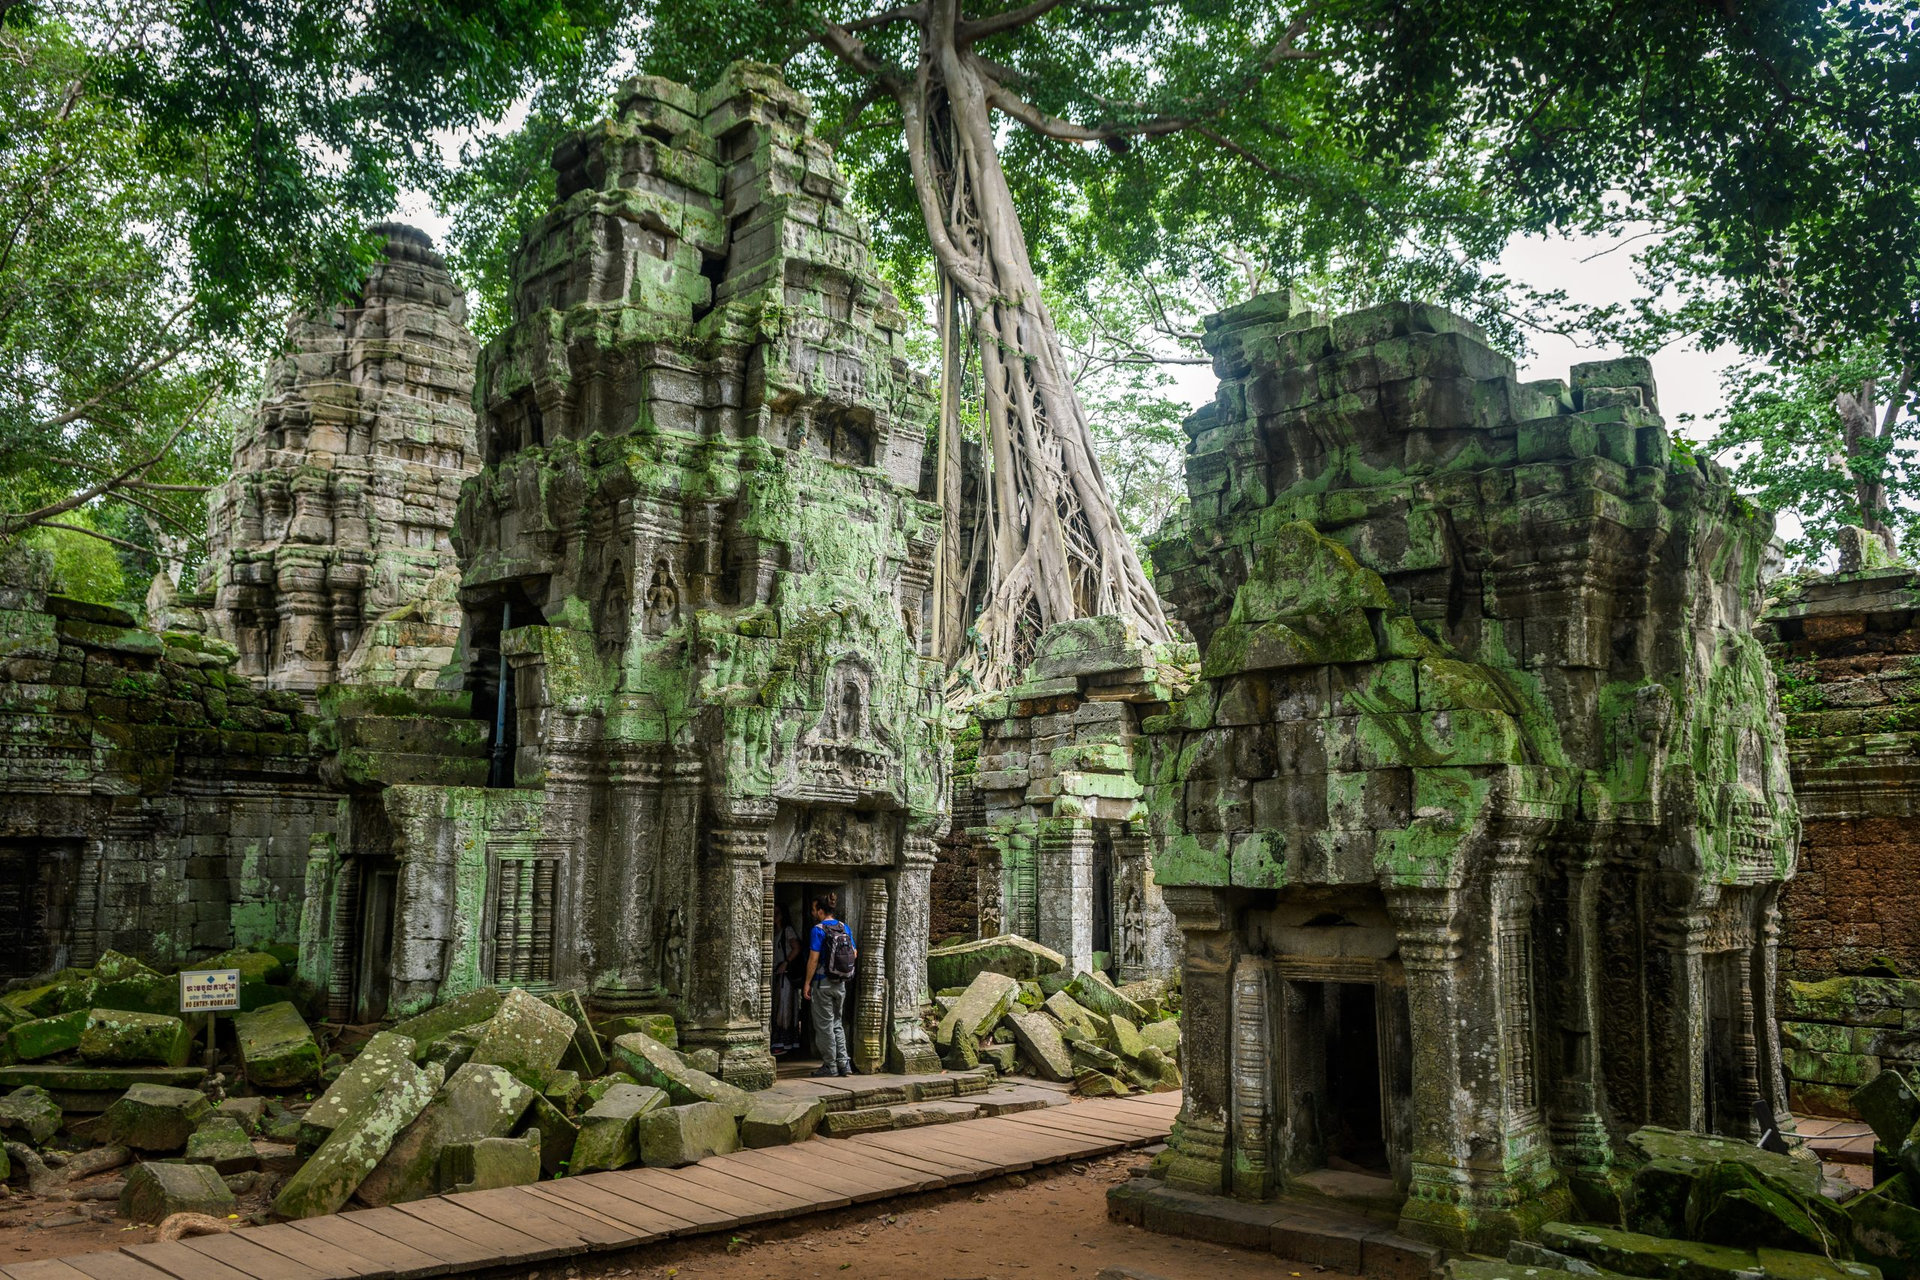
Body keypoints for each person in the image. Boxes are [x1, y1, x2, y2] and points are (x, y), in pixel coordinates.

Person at [803, 894, 856, 1077]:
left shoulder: (818, 930)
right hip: (840, 983)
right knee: (837, 1023)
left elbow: (813, 959)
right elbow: (854, 953)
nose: (812, 913)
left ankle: (830, 1066)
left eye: (813, 910)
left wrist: (807, 983)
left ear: (820, 911)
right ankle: (844, 1064)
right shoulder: (844, 927)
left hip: (822, 982)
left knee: (824, 1026)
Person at [771, 906, 801, 1053]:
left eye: (777, 913)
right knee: (777, 1005)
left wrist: (786, 962)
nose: (774, 915)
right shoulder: (774, 931)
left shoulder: (787, 930)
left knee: (785, 1005)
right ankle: (778, 1040)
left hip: (786, 974)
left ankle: (785, 1042)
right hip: (777, 973)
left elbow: (796, 948)